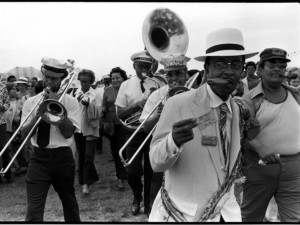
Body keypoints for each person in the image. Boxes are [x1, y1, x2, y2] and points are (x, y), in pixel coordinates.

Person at [148, 28, 259, 222]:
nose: (228, 71)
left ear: (242, 70)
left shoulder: (237, 108)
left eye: (235, 64)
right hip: (184, 214)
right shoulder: (178, 103)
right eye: (220, 64)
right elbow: (156, 162)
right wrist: (172, 141)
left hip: (228, 212)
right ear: (207, 70)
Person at [241, 48, 300, 222]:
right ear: (259, 69)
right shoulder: (250, 98)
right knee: (251, 217)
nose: (277, 69)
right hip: (259, 168)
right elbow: (242, 133)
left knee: (294, 218)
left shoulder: (295, 95)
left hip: (294, 169)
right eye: (271, 64)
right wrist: (260, 147)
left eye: (281, 65)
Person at [20, 57, 81, 222]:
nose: (48, 81)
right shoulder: (30, 102)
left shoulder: (72, 102)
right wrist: (38, 115)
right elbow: (24, 135)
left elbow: (69, 132)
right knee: (33, 210)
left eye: (53, 79)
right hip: (38, 157)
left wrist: (54, 106)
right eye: (45, 77)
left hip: (63, 156)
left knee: (69, 203)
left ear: (61, 79)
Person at [139, 53, 190, 214]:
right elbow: (146, 128)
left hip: (190, 151)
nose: (174, 78)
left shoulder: (197, 93)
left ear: (186, 74)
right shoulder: (156, 96)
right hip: (162, 150)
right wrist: (158, 116)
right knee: (157, 194)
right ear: (165, 76)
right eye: (170, 74)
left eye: (178, 73)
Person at [115, 50, 159, 216]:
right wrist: (138, 104)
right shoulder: (126, 85)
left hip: (151, 132)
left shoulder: (156, 82)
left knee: (151, 171)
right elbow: (120, 114)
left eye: (147, 65)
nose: (144, 68)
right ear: (134, 65)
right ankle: (136, 196)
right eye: (140, 65)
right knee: (132, 172)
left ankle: (148, 204)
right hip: (132, 133)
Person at [73, 69, 101, 195]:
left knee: (89, 156)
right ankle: (90, 177)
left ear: (91, 82)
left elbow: (100, 112)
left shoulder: (96, 94)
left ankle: (85, 183)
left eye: (87, 81)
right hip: (78, 128)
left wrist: (89, 105)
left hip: (90, 128)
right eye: (82, 81)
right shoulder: (75, 93)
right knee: (82, 155)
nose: (84, 83)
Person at [102, 67, 128, 190]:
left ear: (123, 78)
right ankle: (121, 178)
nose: (115, 80)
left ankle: (128, 173)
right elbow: (104, 106)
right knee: (116, 152)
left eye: (117, 78)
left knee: (125, 150)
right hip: (112, 126)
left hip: (126, 124)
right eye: (113, 78)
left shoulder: (128, 89)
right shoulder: (107, 90)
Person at [5, 82, 27, 175]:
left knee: (17, 147)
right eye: (13, 89)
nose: (15, 91)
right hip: (6, 128)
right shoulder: (5, 102)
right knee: (8, 148)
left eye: (16, 89)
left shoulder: (18, 101)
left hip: (16, 127)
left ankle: (22, 166)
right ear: (7, 91)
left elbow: (22, 111)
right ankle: (15, 166)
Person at [0, 81, 11, 183]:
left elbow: (7, 103)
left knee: (4, 149)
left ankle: (8, 175)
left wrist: (2, 107)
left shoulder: (2, 87)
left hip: (1, 123)